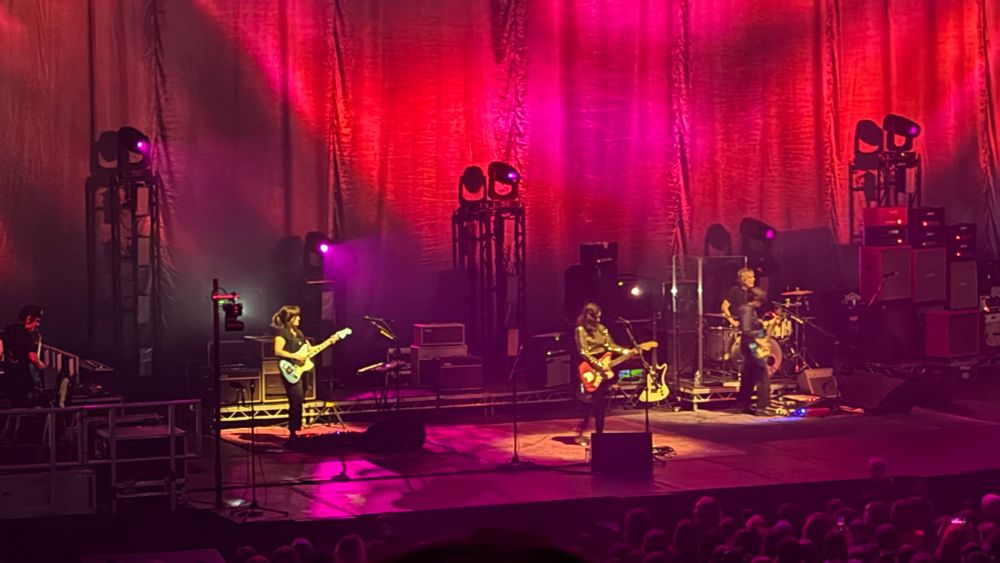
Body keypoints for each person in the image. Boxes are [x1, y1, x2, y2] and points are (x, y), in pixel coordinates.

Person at [573, 302, 627, 444]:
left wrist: (626, 351)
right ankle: (583, 427)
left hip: (603, 365)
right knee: (589, 400)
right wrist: (597, 365)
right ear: (590, 316)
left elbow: (610, 345)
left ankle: (599, 434)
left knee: (600, 401)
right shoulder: (580, 330)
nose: (599, 319)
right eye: (597, 316)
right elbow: (583, 351)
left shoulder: (602, 329)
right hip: (588, 366)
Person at [271, 305, 314, 442]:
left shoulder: (299, 333)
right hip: (289, 369)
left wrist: (330, 341)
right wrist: (294, 356)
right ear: (289, 318)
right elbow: (278, 351)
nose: (299, 318)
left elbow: (308, 349)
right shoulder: (282, 333)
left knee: (300, 398)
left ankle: (296, 428)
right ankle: (293, 431)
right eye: (296, 316)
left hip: (301, 369)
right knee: (296, 399)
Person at [1, 305, 46, 408]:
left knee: (15, 407)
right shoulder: (27, 334)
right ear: (28, 318)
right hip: (25, 380)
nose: (38, 324)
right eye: (37, 321)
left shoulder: (7, 330)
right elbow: (32, 357)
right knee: (29, 408)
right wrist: (41, 365)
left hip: (10, 378)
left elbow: (0, 351)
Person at [736, 288, 770, 414]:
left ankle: (743, 403)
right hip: (752, 345)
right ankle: (762, 407)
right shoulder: (747, 309)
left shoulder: (748, 309)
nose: (762, 303)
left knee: (748, 374)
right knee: (762, 373)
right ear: (756, 299)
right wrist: (762, 331)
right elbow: (746, 330)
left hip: (750, 344)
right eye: (761, 300)